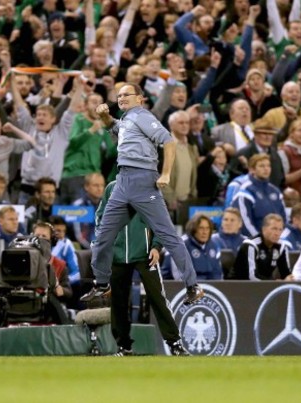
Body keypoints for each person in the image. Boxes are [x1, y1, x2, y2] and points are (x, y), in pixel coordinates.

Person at [81, 83, 204, 306]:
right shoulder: (127, 120)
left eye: (126, 95)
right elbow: (114, 128)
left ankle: (192, 286)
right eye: (118, 96)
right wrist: (105, 117)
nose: (121, 98)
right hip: (122, 181)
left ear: (140, 99)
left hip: (143, 179)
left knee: (168, 235)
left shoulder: (142, 116)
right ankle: (101, 285)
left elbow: (168, 141)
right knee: (102, 237)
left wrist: (165, 174)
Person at [97, 181, 189, 356]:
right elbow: (101, 217)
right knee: (119, 302)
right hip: (117, 254)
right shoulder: (111, 188)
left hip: (145, 252)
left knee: (157, 297)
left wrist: (156, 246)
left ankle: (175, 343)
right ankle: (123, 346)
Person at [231, 214, 291, 280]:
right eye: (274, 229)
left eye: (280, 230)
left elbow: (286, 274)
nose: (277, 233)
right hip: (238, 286)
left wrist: (288, 279)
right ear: (264, 229)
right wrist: (274, 284)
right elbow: (252, 277)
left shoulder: (281, 246)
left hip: (266, 286)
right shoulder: (251, 245)